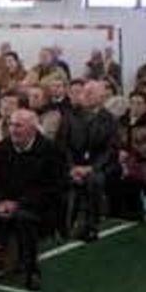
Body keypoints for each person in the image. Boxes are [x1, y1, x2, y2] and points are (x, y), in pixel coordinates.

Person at [0, 110, 65, 290]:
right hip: (5, 202)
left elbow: (53, 187)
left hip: (40, 206)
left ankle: (31, 270)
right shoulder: (0, 150)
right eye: (11, 125)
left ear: (33, 129)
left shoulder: (51, 151)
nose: (13, 129)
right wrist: (0, 201)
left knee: (24, 218)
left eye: (18, 125)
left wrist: (19, 203)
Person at [61, 80, 117, 240]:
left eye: (90, 93)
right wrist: (72, 167)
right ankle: (67, 224)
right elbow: (63, 145)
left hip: (97, 165)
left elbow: (110, 150)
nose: (85, 96)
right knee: (67, 180)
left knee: (94, 180)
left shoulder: (109, 119)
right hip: (72, 164)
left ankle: (90, 224)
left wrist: (91, 168)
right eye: (84, 92)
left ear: (101, 97)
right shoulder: (70, 115)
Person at [112, 91, 146, 220]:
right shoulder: (121, 122)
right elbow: (114, 141)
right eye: (132, 103)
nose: (135, 106)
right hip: (121, 160)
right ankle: (117, 210)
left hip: (142, 161)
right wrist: (118, 152)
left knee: (134, 175)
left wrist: (130, 152)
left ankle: (137, 209)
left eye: (139, 103)